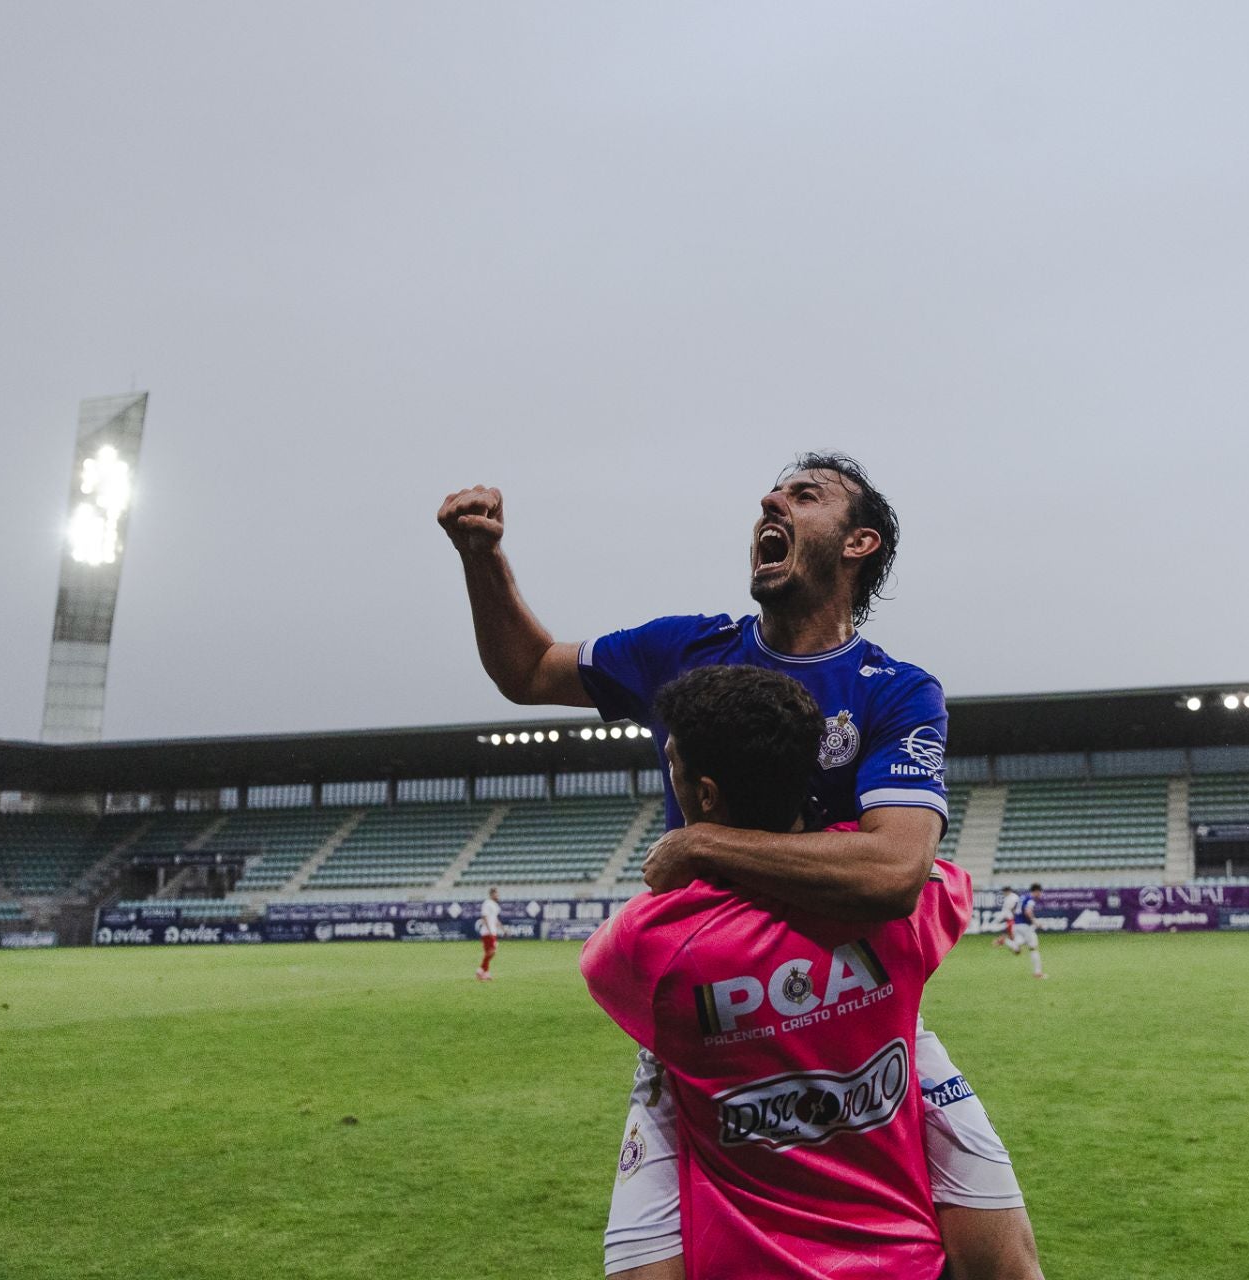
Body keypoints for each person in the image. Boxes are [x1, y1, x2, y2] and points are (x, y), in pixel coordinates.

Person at [438, 454, 1040, 1277]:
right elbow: (529, 670)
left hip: (867, 1017)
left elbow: (897, 872)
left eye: (804, 494)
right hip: (713, 1020)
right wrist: (483, 559)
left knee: (1007, 1263)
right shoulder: (687, 649)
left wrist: (702, 844)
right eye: (773, 491)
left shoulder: (895, 692)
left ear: (858, 542)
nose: (771, 498)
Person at [584, 665, 969, 1278]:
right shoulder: (912, 908)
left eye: (672, 763)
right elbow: (932, 877)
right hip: (905, 1262)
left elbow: (605, 971)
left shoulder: (644, 945)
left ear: (705, 796)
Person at [1007, 884, 1045, 979]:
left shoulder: (1022, 897)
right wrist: (1035, 922)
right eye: (1040, 892)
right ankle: (1038, 973)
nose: (1040, 894)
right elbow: (1028, 911)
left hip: (1016, 925)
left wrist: (1017, 918)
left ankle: (1007, 942)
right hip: (1025, 926)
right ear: (1036, 891)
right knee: (1033, 948)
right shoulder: (1030, 899)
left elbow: (1013, 909)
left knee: (1019, 945)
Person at [476, 886, 502, 981]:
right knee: (492, 951)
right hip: (487, 932)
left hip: (493, 931)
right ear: (492, 894)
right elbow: (484, 917)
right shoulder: (487, 903)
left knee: (489, 953)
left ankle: (485, 973)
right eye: (496, 893)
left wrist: (503, 929)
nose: (498, 895)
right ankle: (480, 970)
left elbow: (495, 919)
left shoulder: (495, 905)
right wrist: (489, 929)